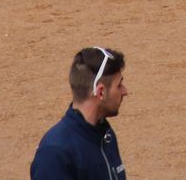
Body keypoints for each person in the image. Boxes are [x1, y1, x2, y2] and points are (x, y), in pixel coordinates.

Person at [28, 47, 127, 179]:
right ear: (101, 92)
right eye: (119, 85)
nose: (125, 91)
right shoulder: (55, 154)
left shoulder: (105, 135)